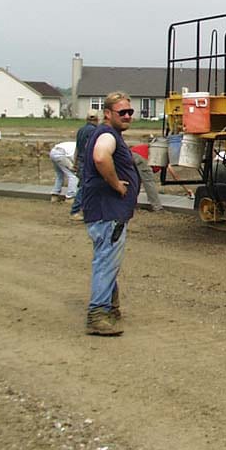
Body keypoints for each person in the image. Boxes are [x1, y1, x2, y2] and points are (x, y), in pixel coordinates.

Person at [82, 91, 140, 336]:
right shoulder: (107, 135)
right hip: (108, 211)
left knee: (107, 260)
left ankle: (110, 307)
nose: (127, 116)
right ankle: (98, 314)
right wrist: (117, 184)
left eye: (130, 112)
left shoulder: (107, 134)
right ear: (107, 113)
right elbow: (100, 156)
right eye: (122, 112)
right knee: (106, 261)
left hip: (104, 211)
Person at [69, 111, 100, 221]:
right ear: (97, 120)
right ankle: (75, 211)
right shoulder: (94, 131)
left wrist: (75, 163)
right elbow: (91, 148)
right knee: (85, 187)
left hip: (81, 161)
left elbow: (77, 148)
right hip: (87, 162)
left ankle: (88, 209)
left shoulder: (81, 130)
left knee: (85, 186)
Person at [129, 140, 164, 212]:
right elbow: (155, 168)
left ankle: (130, 203)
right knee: (149, 182)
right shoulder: (162, 155)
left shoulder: (155, 149)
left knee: (135, 180)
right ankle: (157, 207)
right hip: (141, 157)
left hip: (130, 154)